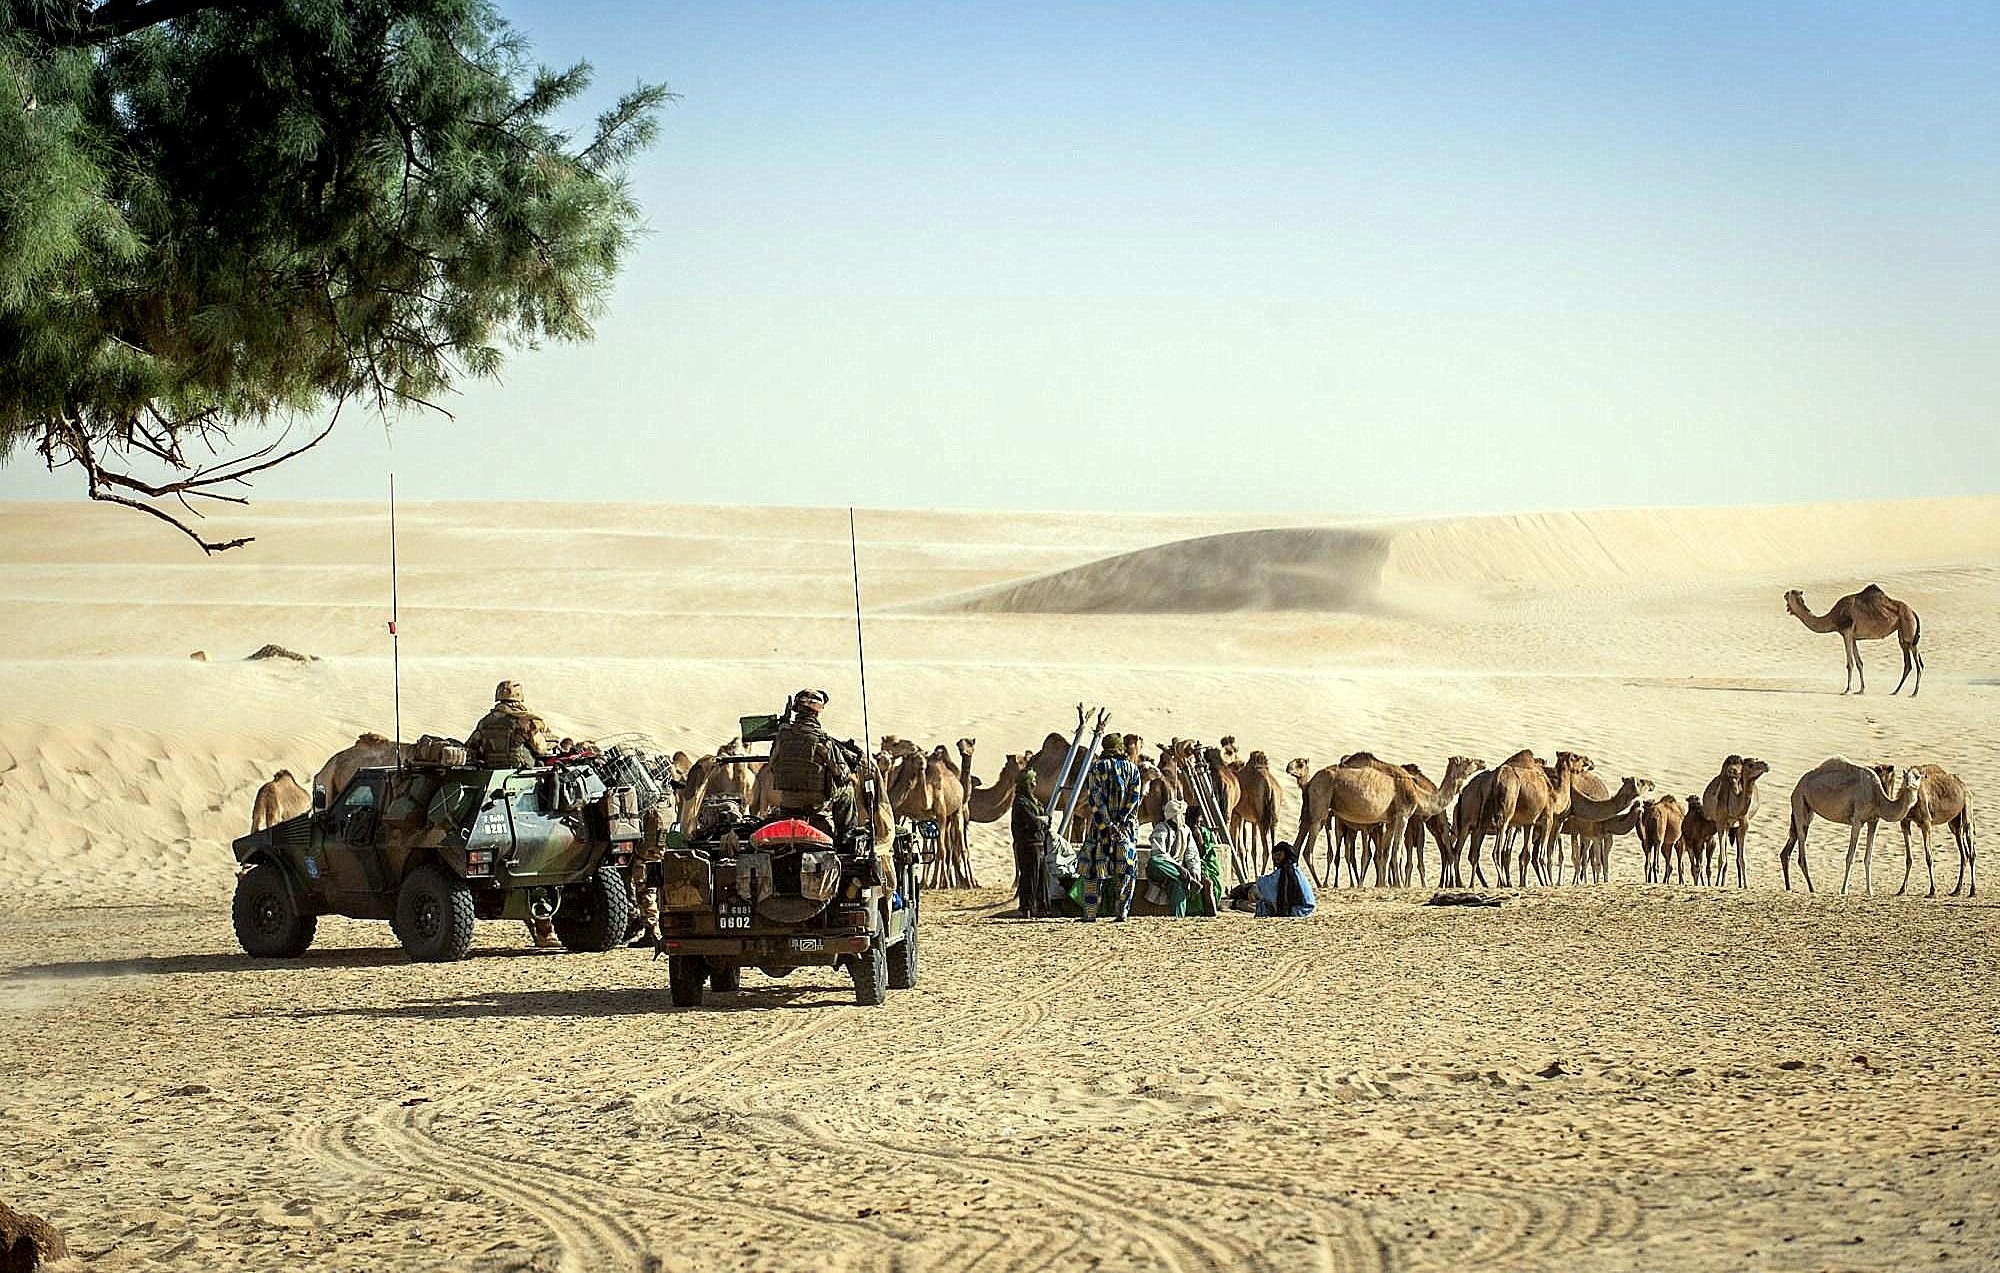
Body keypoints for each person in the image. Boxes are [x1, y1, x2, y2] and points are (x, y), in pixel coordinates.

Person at [767, 689, 857, 835]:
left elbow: (772, 766)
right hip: (815, 804)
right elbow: (841, 775)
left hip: (788, 802)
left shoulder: (781, 737)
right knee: (847, 789)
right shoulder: (822, 740)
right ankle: (845, 836)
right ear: (816, 713)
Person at [1079, 731, 1142, 922]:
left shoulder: (1096, 769)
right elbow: (1134, 799)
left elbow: (1095, 800)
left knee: (1091, 871)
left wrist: (1107, 823)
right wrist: (1121, 821)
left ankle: (1090, 913)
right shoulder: (1133, 770)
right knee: (1126, 871)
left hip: (1100, 830)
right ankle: (1122, 911)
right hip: (1126, 830)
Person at [467, 681, 552, 769]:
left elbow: (471, 746)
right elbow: (540, 749)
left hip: (491, 768)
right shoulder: (523, 720)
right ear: (519, 695)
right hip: (518, 769)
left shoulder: (485, 721)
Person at [1143, 799, 1205, 917]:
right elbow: (1159, 854)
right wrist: (1180, 869)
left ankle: (1178, 919)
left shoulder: (1186, 831)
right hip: (1162, 869)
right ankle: (1187, 879)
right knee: (1155, 862)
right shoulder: (1161, 828)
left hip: (1178, 874)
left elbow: (1192, 855)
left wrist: (1195, 871)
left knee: (1178, 885)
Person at [1230, 840, 1315, 917]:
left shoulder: (1285, 873)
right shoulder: (1296, 870)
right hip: (1306, 909)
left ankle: (1234, 903)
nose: (1277, 859)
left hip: (1296, 910)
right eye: (1275, 856)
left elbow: (1264, 885)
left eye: (1279, 855)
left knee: (1256, 894)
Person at [1010, 769, 1048, 918]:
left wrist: (1043, 821)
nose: (1035, 783)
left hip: (1038, 844)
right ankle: (1027, 909)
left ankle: (1041, 908)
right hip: (1027, 845)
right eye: (1032, 780)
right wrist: (1041, 821)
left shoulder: (1034, 801)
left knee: (1041, 878)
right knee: (1029, 877)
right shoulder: (1020, 802)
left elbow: (1045, 821)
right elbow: (1032, 821)